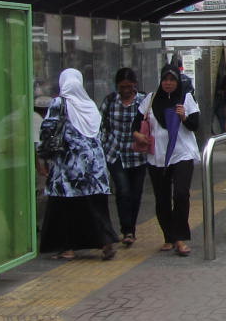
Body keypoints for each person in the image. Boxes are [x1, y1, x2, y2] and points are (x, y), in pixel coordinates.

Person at [38, 68, 117, 261]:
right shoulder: (89, 104)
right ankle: (105, 241)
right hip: (95, 168)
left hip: (68, 167)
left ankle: (67, 248)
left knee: (64, 209)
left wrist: (43, 154)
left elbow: (47, 129)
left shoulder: (59, 102)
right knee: (94, 206)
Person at [142, 65, 201, 256]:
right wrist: (138, 136)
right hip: (157, 156)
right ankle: (168, 236)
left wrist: (183, 116)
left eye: (172, 80)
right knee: (162, 198)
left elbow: (195, 125)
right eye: (165, 79)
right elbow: (137, 124)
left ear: (178, 81)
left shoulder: (186, 98)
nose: (168, 83)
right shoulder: (150, 99)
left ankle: (181, 238)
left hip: (181, 153)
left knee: (181, 194)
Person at [99, 67, 149, 247]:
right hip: (116, 152)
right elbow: (101, 124)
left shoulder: (143, 101)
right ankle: (126, 230)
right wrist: (104, 144)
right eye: (122, 86)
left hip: (138, 153)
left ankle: (131, 229)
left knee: (135, 193)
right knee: (123, 191)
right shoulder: (110, 101)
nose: (126, 90)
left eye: (129, 86)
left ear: (135, 85)